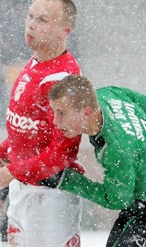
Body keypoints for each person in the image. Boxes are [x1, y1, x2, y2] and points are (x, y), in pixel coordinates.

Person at [0, 0, 84, 246]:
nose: (31, 24)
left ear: (64, 31)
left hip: (50, 196)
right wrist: (4, 149)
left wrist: (9, 172)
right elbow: (31, 124)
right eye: (30, 16)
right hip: (24, 186)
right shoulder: (35, 62)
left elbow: (62, 154)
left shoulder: (63, 80)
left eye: (42, 20)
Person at [49, 74, 146, 247]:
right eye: (54, 112)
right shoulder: (109, 94)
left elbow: (117, 199)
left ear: (86, 112)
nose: (55, 121)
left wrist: (68, 180)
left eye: (61, 113)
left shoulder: (118, 150)